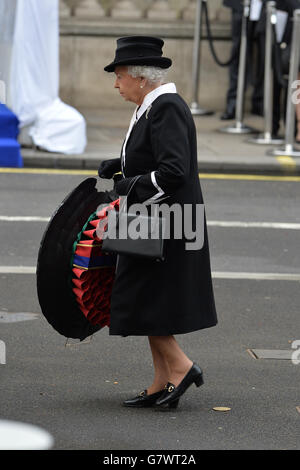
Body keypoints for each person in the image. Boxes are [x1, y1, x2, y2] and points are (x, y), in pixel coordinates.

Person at [98, 36, 218, 409]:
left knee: (144, 300)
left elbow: (173, 172)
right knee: (153, 303)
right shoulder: (153, 106)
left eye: (119, 76)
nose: (116, 84)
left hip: (166, 225)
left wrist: (128, 184)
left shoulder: (166, 107)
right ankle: (160, 382)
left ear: (140, 77)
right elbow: (152, 155)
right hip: (154, 222)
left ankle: (182, 368)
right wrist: (120, 166)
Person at [221, 0, 264, 120]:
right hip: (240, 5)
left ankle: (260, 102)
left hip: (268, 6)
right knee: (238, 54)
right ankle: (233, 103)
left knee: (266, 55)